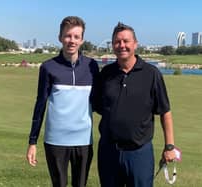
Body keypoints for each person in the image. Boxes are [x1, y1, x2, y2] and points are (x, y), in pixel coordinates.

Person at [92, 22, 177, 187]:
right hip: (109, 151)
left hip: (140, 153)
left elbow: (165, 112)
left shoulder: (151, 74)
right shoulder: (106, 74)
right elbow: (99, 107)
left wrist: (169, 146)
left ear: (135, 44)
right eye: (117, 42)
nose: (121, 45)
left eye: (126, 41)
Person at [26, 16, 99, 187]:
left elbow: (98, 102)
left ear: (82, 40)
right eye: (68, 36)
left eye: (76, 37)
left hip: (83, 141)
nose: (71, 41)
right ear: (60, 37)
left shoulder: (92, 66)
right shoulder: (48, 67)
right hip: (55, 141)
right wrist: (32, 142)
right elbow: (40, 104)